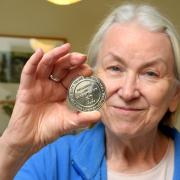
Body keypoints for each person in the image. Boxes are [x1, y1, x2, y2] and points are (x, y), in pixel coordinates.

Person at [0, 3, 180, 180]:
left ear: (175, 95)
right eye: (115, 68)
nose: (128, 92)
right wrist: (13, 147)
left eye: (150, 73)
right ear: (93, 80)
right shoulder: (51, 161)